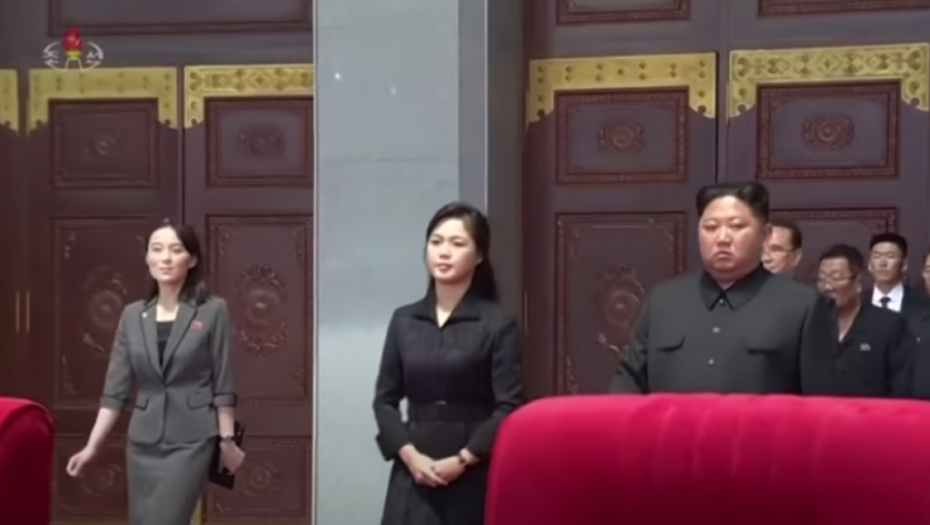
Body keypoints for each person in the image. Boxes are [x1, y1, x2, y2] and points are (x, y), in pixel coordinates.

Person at [65, 221, 245, 525]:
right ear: (147, 257)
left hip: (192, 440)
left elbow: (223, 384)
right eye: (157, 249)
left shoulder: (212, 310)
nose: (166, 258)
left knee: (168, 519)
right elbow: (115, 393)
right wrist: (92, 447)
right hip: (143, 442)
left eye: (176, 250)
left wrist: (227, 441)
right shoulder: (132, 315)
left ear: (192, 259)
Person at [373, 202, 524, 525]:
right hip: (414, 467)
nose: (444, 252)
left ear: (479, 255)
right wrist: (409, 455)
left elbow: (509, 405)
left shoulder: (498, 323)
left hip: (473, 467)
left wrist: (464, 459)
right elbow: (384, 400)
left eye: (457, 244)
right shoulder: (404, 320)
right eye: (436, 242)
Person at [609, 182, 835, 394]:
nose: (722, 238)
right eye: (711, 227)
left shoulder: (804, 306)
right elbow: (628, 384)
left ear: (765, 236)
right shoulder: (664, 301)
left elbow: (821, 402)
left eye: (736, 226)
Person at [815, 244, 915, 398]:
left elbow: (901, 385)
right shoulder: (812, 324)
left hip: (873, 411)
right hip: (821, 410)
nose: (827, 287)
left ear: (858, 282)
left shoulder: (889, 324)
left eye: (836, 278)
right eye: (822, 279)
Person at [865, 233, 925, 316]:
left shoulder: (922, 303)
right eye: (877, 256)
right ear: (869, 265)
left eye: (890, 256)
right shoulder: (856, 303)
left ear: (904, 265)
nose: (883, 263)